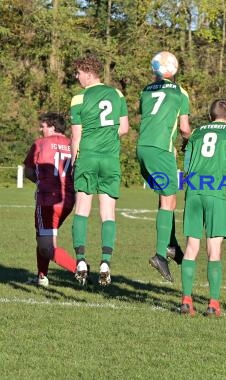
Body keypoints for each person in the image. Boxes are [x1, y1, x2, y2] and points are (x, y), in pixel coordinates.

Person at [179, 99, 226, 317]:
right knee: (213, 250)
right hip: (217, 193)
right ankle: (213, 303)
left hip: (194, 192)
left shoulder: (196, 133)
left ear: (209, 116)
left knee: (191, 247)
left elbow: (186, 164)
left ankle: (187, 300)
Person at [70, 54, 130, 286]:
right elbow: (123, 128)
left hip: (87, 156)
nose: (76, 77)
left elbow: (76, 135)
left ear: (87, 72)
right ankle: (105, 261)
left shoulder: (79, 98)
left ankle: (82, 260)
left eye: (78, 73)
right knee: (108, 213)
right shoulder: (117, 94)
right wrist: (106, 136)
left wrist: (75, 160)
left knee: (82, 210)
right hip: (110, 158)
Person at [137, 51, 191, 283]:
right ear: (175, 70)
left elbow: (150, 119)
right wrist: (189, 141)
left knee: (165, 198)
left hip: (142, 149)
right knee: (170, 199)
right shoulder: (180, 93)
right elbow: (184, 128)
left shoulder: (145, 91)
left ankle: (172, 245)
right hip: (161, 150)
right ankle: (161, 254)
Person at [23, 112, 77, 287]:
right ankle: (42, 277)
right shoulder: (73, 144)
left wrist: (41, 181)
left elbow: (28, 171)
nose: (41, 129)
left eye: (43, 126)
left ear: (53, 126)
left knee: (46, 245)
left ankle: (80, 270)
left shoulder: (40, 143)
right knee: (43, 237)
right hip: (68, 200)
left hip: (47, 200)